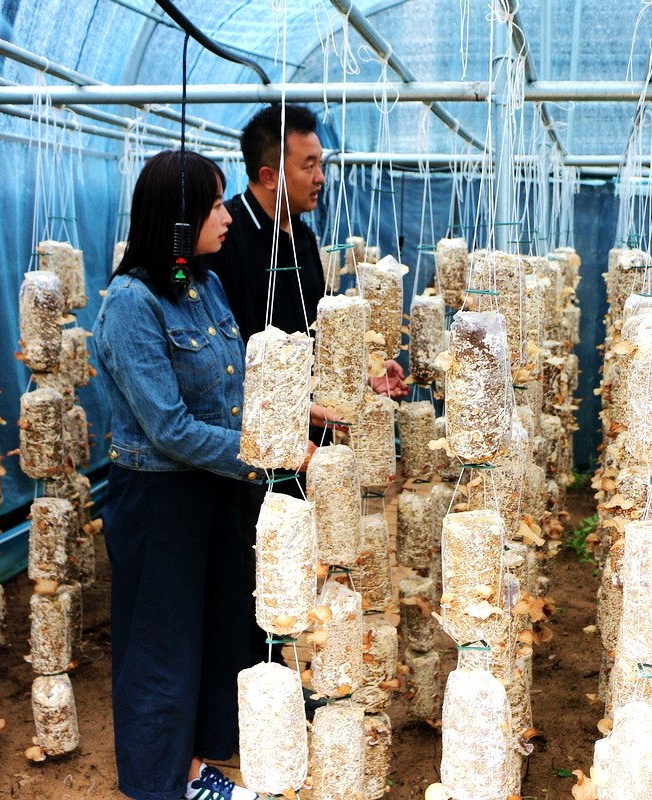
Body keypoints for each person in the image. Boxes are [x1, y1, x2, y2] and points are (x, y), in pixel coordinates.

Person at [203, 103, 406, 667]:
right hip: (250, 444)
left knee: (297, 565)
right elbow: (226, 354)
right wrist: (290, 407)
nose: (320, 177)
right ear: (271, 174)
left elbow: (315, 338)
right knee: (258, 570)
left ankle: (286, 680)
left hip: (306, 441)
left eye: (321, 164)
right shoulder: (228, 238)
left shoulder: (305, 237)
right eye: (308, 165)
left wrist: (360, 379)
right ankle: (256, 682)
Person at [94, 149, 259, 800]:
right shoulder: (131, 304)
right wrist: (269, 454)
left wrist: (304, 411)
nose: (227, 216)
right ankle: (163, 782)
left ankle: (200, 758)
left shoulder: (203, 284)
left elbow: (233, 388)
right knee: (162, 641)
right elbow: (167, 427)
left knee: (216, 625)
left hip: (213, 485)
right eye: (215, 205)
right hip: (159, 496)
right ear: (177, 220)